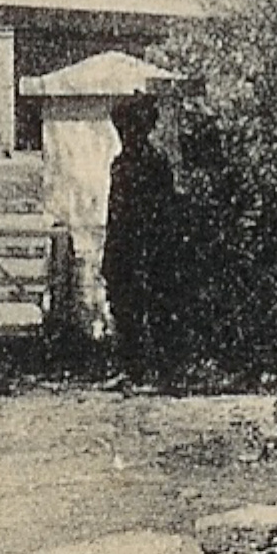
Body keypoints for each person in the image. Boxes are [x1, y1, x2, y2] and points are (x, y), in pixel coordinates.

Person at [100, 94, 177, 374]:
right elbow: (114, 214)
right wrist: (109, 252)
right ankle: (130, 367)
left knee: (154, 307)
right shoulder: (120, 165)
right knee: (123, 308)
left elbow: (164, 210)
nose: (125, 134)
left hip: (147, 245)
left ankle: (160, 367)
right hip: (123, 246)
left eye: (130, 128)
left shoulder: (154, 164)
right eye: (121, 129)